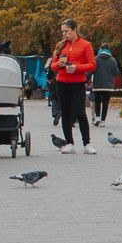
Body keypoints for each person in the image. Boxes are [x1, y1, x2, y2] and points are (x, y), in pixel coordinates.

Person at [50, 19, 96, 154]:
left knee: (80, 113)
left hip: (77, 83)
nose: (64, 34)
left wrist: (77, 68)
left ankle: (87, 143)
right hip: (61, 83)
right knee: (65, 113)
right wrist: (60, 65)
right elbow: (52, 66)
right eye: (62, 32)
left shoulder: (85, 45)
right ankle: (69, 142)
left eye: (66, 31)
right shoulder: (60, 45)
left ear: (74, 29)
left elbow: (92, 64)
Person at [91, 46, 121, 126]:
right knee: (105, 103)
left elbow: (91, 70)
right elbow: (116, 72)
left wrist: (86, 80)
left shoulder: (96, 59)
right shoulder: (112, 60)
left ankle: (97, 117)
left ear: (101, 50)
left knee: (97, 101)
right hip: (108, 86)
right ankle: (103, 121)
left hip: (97, 84)